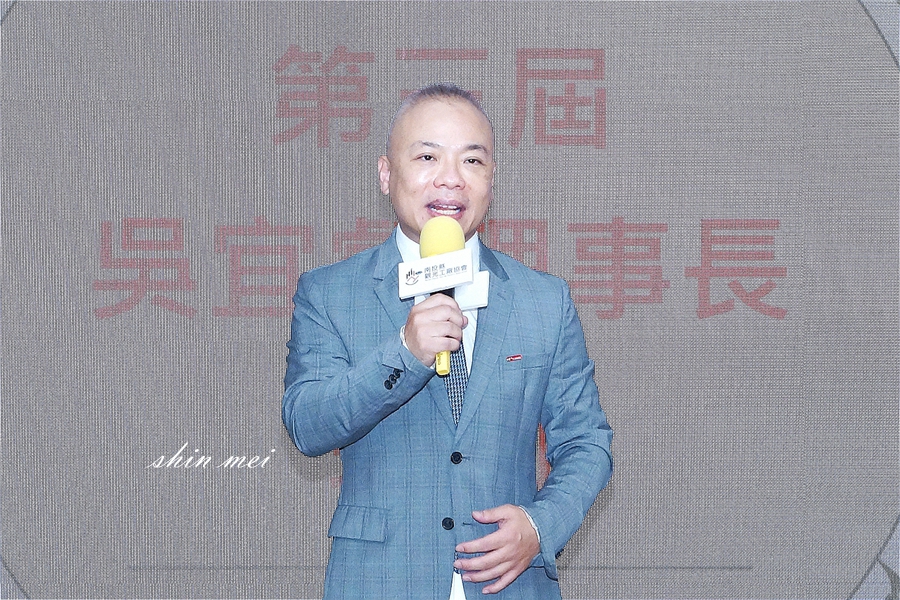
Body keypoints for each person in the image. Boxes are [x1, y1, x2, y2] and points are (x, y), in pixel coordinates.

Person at [282, 83, 613, 599]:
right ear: (386, 174)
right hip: (380, 581)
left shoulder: (544, 301)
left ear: (491, 179)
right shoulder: (330, 293)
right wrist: (405, 353)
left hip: (509, 584)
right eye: (427, 157)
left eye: (472, 161)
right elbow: (308, 425)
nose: (451, 179)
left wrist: (540, 526)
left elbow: (586, 442)